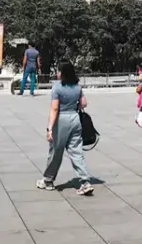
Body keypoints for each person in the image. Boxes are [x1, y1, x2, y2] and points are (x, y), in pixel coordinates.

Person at [35, 61, 94, 195]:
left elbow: (55, 108)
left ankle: (48, 180)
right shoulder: (77, 87)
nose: (57, 73)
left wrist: (49, 128)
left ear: (62, 73)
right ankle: (85, 181)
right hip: (75, 119)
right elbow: (83, 103)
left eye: (58, 71)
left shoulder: (57, 88)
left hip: (61, 120)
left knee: (56, 151)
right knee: (76, 152)